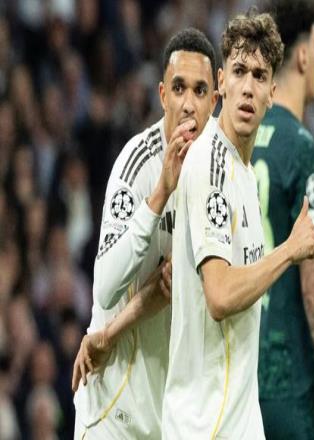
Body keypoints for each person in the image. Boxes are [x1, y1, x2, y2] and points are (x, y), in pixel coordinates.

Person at [162, 11, 314, 439]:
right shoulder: (211, 162)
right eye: (239, 72)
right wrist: (288, 251)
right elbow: (219, 294)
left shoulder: (244, 175)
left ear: (272, 93)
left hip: (238, 419)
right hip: (203, 425)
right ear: (221, 84)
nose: (248, 87)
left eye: (259, 75)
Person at [72, 28, 218, 439]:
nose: (188, 103)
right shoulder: (136, 165)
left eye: (199, 90)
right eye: (178, 88)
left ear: (214, 100)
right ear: (162, 95)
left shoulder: (220, 177)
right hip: (114, 411)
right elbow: (104, 289)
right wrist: (160, 195)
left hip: (171, 418)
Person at [252, 0, 314, 438]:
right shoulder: (301, 148)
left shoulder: (235, 136)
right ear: (300, 56)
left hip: (235, 376)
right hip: (288, 380)